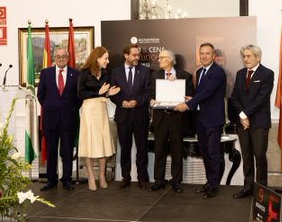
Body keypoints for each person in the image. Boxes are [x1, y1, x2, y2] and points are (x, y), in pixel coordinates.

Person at [175, 43, 226, 199]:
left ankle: (213, 186)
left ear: (214, 56)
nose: (204, 56)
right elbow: (201, 94)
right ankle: (209, 182)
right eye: (201, 53)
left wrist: (188, 104)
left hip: (213, 120)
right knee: (205, 152)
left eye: (207, 53)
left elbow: (208, 93)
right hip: (201, 119)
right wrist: (193, 99)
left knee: (213, 153)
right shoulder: (199, 71)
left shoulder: (218, 72)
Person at [230, 44, 274, 199]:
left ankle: (262, 191)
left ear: (258, 57)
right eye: (244, 56)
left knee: (259, 155)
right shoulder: (240, 73)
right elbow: (234, 97)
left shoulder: (267, 74)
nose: (246, 59)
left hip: (259, 123)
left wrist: (244, 114)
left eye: (249, 56)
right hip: (243, 123)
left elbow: (261, 99)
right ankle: (248, 187)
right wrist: (242, 117)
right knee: (247, 157)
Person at [149, 49, 194, 193]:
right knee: (159, 150)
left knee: (177, 150)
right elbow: (150, 95)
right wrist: (151, 101)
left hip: (177, 118)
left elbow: (190, 97)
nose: (159, 60)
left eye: (161, 58)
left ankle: (176, 181)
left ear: (169, 60)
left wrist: (177, 89)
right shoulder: (154, 76)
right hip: (160, 118)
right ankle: (159, 180)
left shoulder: (184, 76)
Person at [38, 46, 81, 191]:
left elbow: (78, 97)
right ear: (54, 58)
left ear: (68, 58)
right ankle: (51, 180)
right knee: (51, 151)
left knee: (67, 151)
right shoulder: (46, 73)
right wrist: (52, 107)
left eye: (64, 56)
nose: (61, 59)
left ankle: (67, 179)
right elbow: (41, 95)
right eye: (58, 56)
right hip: (50, 119)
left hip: (69, 119)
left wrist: (70, 109)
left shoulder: (76, 74)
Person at [77, 46, 120, 191]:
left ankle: (102, 176)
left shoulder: (106, 73)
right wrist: (98, 92)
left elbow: (104, 94)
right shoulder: (83, 73)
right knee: (89, 145)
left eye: (108, 58)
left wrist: (108, 94)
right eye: (105, 58)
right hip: (89, 111)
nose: (107, 61)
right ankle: (90, 176)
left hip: (101, 110)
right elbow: (80, 94)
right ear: (97, 59)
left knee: (102, 144)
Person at [110, 44, 151, 190]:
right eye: (134, 55)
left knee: (142, 149)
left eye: (138, 55)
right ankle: (125, 178)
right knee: (125, 149)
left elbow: (148, 93)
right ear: (126, 55)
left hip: (140, 116)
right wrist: (121, 102)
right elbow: (112, 93)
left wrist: (137, 101)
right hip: (123, 116)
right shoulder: (115, 72)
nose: (137, 57)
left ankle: (142, 178)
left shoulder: (145, 71)